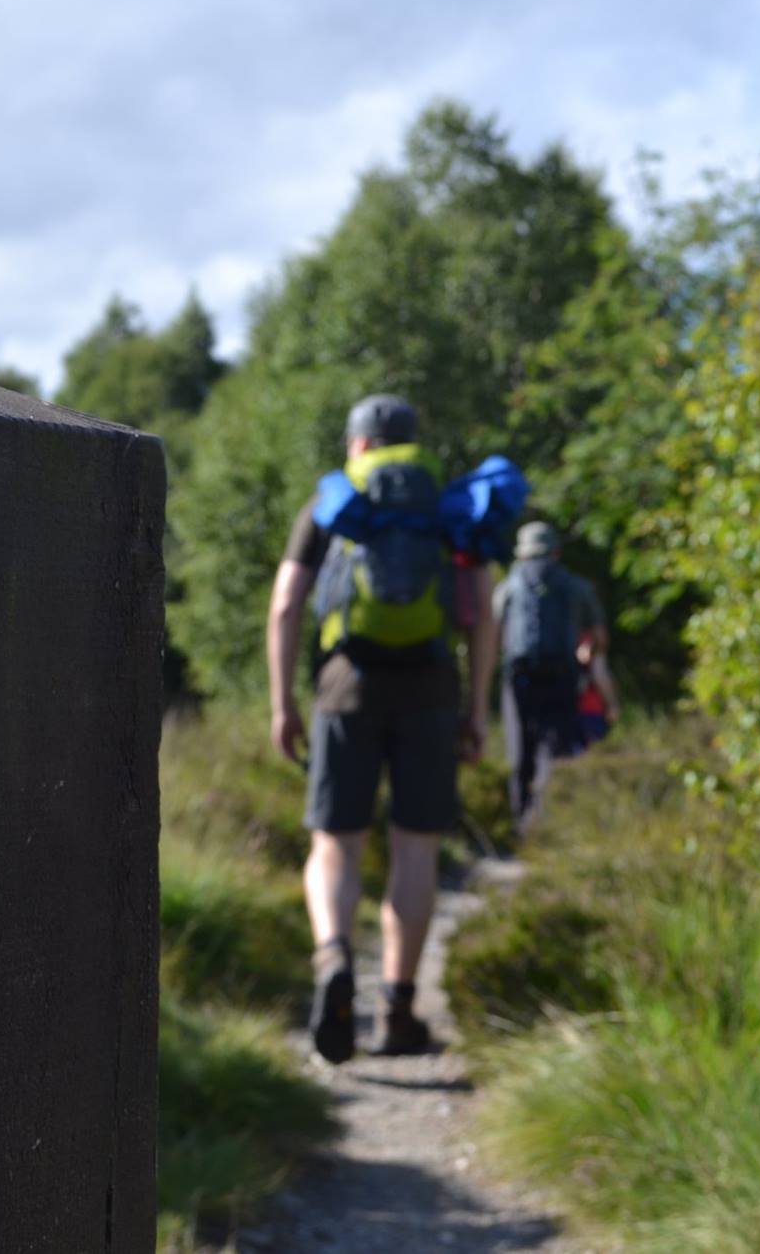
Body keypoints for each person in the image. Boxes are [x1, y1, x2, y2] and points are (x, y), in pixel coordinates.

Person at [266, 394, 498, 1063]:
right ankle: (398, 1009)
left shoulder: (334, 501)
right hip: (430, 687)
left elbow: (286, 604)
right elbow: (481, 613)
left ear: (357, 444)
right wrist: (478, 707)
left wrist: (283, 702)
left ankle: (334, 957)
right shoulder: (449, 507)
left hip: (346, 684)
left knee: (336, 843)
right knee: (416, 848)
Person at [493, 521, 617, 834]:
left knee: (520, 748)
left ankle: (520, 823)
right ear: (556, 552)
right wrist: (588, 653)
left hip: (518, 676)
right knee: (556, 746)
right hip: (563, 676)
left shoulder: (509, 586)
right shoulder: (577, 587)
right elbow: (600, 637)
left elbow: (490, 635)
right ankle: (550, 820)